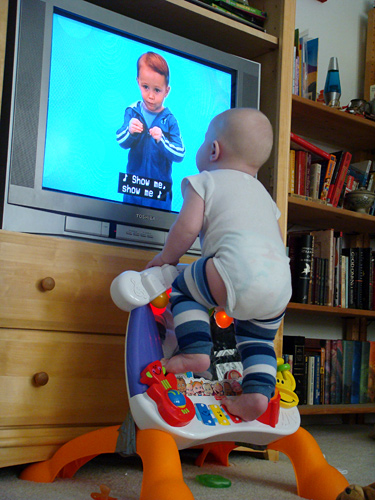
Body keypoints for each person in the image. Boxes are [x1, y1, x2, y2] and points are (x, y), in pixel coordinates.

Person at [146, 108, 292, 421]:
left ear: (214, 150)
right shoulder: (266, 198)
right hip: (280, 284)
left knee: (184, 290)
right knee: (258, 340)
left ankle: (195, 352)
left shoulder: (204, 181)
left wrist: (165, 260)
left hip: (234, 271)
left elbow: (186, 228)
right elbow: (275, 243)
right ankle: (256, 395)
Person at [116, 52, 185, 210]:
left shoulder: (169, 120)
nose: (150, 96)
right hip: (133, 188)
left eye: (157, 90)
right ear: (138, 82)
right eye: (145, 87)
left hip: (159, 192)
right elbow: (120, 140)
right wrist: (130, 131)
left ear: (167, 91)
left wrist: (162, 140)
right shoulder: (132, 111)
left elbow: (180, 153)